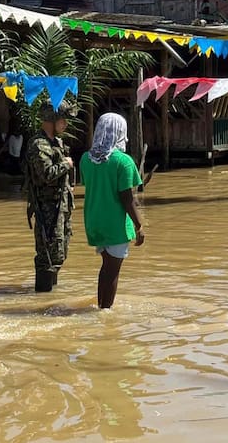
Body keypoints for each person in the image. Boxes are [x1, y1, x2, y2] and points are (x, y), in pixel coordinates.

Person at [79, 113, 145, 309]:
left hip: (94, 221)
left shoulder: (85, 159)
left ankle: (101, 306)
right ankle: (105, 311)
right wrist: (139, 225)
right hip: (115, 224)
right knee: (113, 270)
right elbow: (127, 198)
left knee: (106, 267)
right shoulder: (123, 161)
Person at [23, 101, 76, 292]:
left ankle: (50, 297)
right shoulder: (39, 144)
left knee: (59, 252)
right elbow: (46, 174)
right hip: (47, 209)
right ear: (51, 120)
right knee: (47, 255)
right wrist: (66, 164)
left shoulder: (56, 142)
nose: (66, 124)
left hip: (60, 207)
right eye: (63, 120)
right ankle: (43, 297)